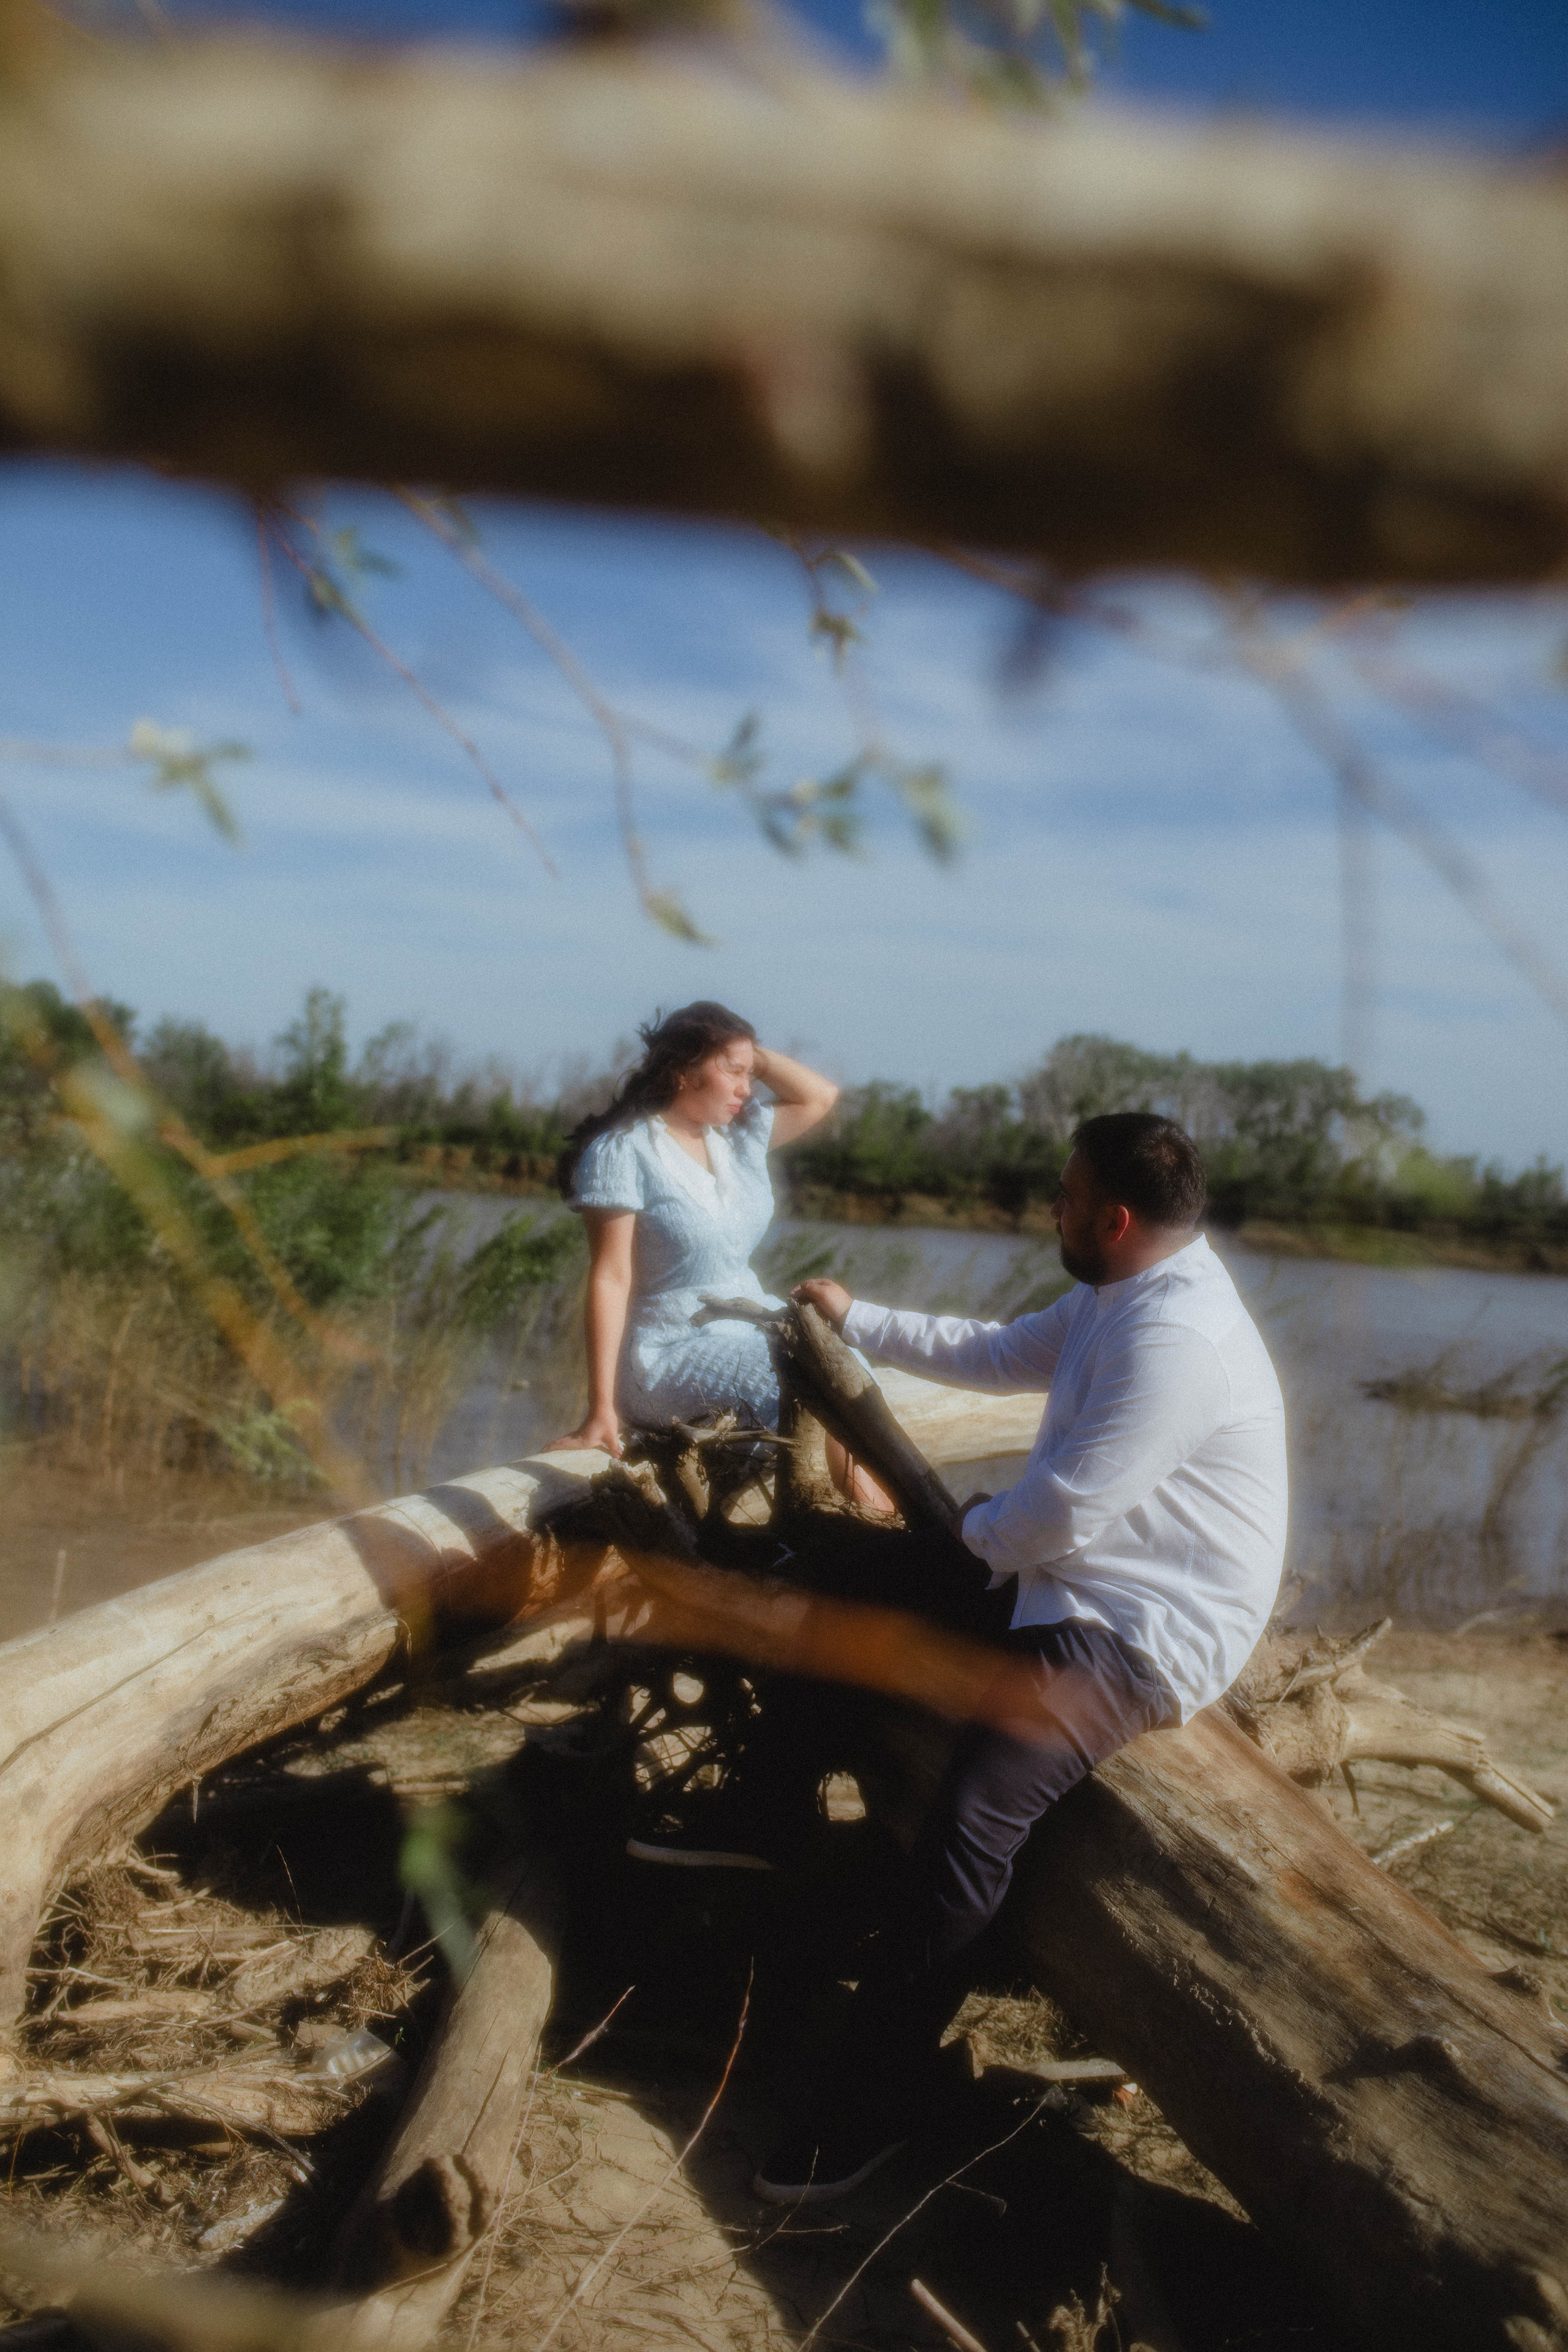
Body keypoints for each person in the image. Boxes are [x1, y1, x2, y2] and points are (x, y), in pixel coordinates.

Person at [739, 1110, 1289, 2204]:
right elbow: (998, 1356)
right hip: (1060, 1573)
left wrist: (959, 1539)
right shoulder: (1114, 1291)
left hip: (1140, 1627)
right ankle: (757, 1828)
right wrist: (861, 1319)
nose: (1050, 1207)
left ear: (1115, 1218)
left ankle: (868, 2111)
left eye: (1065, 1194)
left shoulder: (1176, 1341)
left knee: (972, 1819)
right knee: (830, 1572)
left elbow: (1064, 1510)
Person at [551, 1000, 889, 1508]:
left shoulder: (736, 1139)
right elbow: (610, 1278)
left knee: (846, 1367)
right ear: (685, 1070)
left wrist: (749, 1054)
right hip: (667, 1351)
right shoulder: (623, 1150)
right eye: (734, 1072)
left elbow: (820, 1096)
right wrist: (601, 1409)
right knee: (806, 1385)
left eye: (751, 1074)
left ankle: (893, 1530)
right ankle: (888, 1537)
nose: (747, 1089)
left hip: (748, 1323)